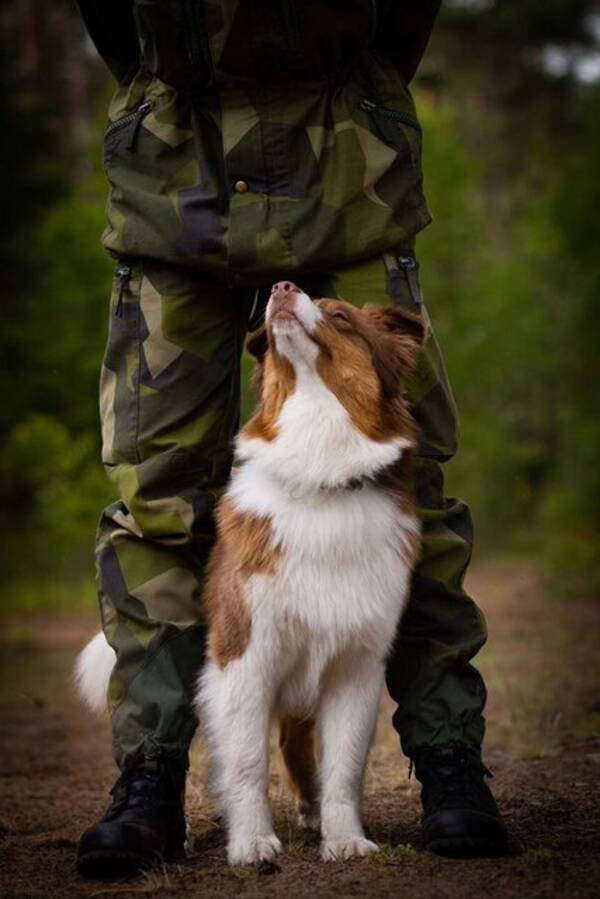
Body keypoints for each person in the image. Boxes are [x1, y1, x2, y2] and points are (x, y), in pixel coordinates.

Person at [75, 0, 508, 879]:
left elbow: (403, 16)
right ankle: (151, 772)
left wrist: (358, 87)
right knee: (156, 498)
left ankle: (448, 758)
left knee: (408, 485)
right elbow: (115, 18)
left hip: (348, 163)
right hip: (175, 180)